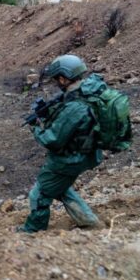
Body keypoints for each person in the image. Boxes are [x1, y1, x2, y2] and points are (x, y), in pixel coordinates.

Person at [18, 55, 107, 233]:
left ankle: (32, 231)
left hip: (70, 159)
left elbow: (52, 139)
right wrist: (48, 112)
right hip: (87, 153)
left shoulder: (75, 106)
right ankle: (89, 221)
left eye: (57, 78)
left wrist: (35, 127)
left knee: (40, 193)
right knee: (60, 187)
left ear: (63, 78)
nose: (57, 82)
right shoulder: (86, 92)